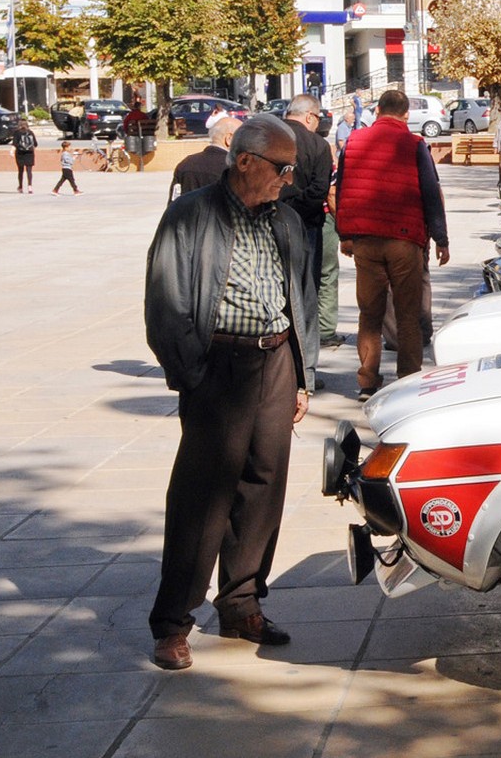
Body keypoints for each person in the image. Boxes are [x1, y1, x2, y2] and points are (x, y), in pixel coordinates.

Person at [144, 114, 314, 672]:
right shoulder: (189, 217)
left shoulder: (285, 220)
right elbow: (166, 303)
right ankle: (173, 622)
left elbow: (301, 299)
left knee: (264, 486)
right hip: (219, 364)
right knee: (203, 496)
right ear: (245, 161)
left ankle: (241, 604)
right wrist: (190, 372)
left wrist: (301, 375)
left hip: (276, 361)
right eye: (281, 168)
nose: (287, 179)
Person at [335, 89, 449, 401]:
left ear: (378, 110)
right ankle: (408, 380)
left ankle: (367, 381)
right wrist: (441, 238)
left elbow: (342, 188)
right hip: (404, 240)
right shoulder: (414, 143)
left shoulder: (354, 141)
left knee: (369, 315)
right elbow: (429, 192)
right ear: (406, 114)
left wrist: (344, 233)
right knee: (407, 314)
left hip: (366, 240)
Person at [281, 94, 336, 386]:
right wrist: (297, 210)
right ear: (310, 117)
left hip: (269, 224)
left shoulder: (269, 135)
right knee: (306, 298)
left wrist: (281, 208)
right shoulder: (318, 145)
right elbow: (318, 192)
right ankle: (306, 374)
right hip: (307, 229)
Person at [170, 117, 240, 200]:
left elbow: (173, 205)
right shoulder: (234, 169)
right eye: (243, 138)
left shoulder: (186, 164)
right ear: (229, 139)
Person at [122, 97, 156, 172]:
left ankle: (140, 164)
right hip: (144, 133)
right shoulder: (143, 115)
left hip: (133, 133)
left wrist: (127, 132)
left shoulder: (131, 115)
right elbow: (147, 122)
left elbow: (125, 123)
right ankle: (141, 163)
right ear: (140, 107)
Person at [12, 118, 37, 193]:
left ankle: (20, 187)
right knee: (29, 171)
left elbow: (15, 144)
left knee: (20, 171)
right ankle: (30, 187)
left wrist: (12, 151)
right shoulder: (30, 132)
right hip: (30, 153)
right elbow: (35, 144)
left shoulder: (17, 133)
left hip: (20, 154)